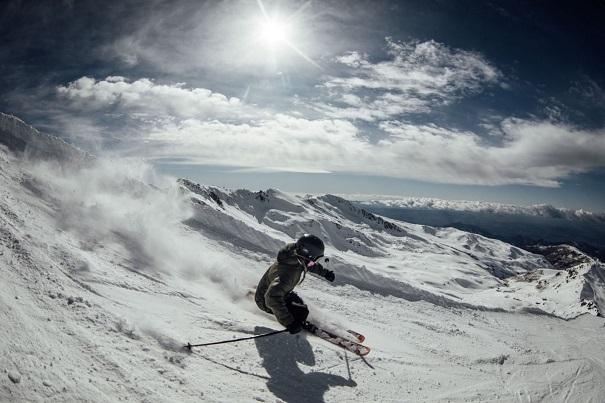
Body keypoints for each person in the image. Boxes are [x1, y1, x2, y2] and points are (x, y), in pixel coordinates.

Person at [255, 234, 335, 334]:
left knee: (300, 304)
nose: (314, 262)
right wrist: (289, 323)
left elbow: (310, 265)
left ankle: (296, 317)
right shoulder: (287, 275)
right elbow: (271, 298)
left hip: (275, 290)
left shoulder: (295, 255)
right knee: (301, 313)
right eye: (315, 259)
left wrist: (325, 273)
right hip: (265, 301)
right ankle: (298, 322)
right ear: (308, 255)